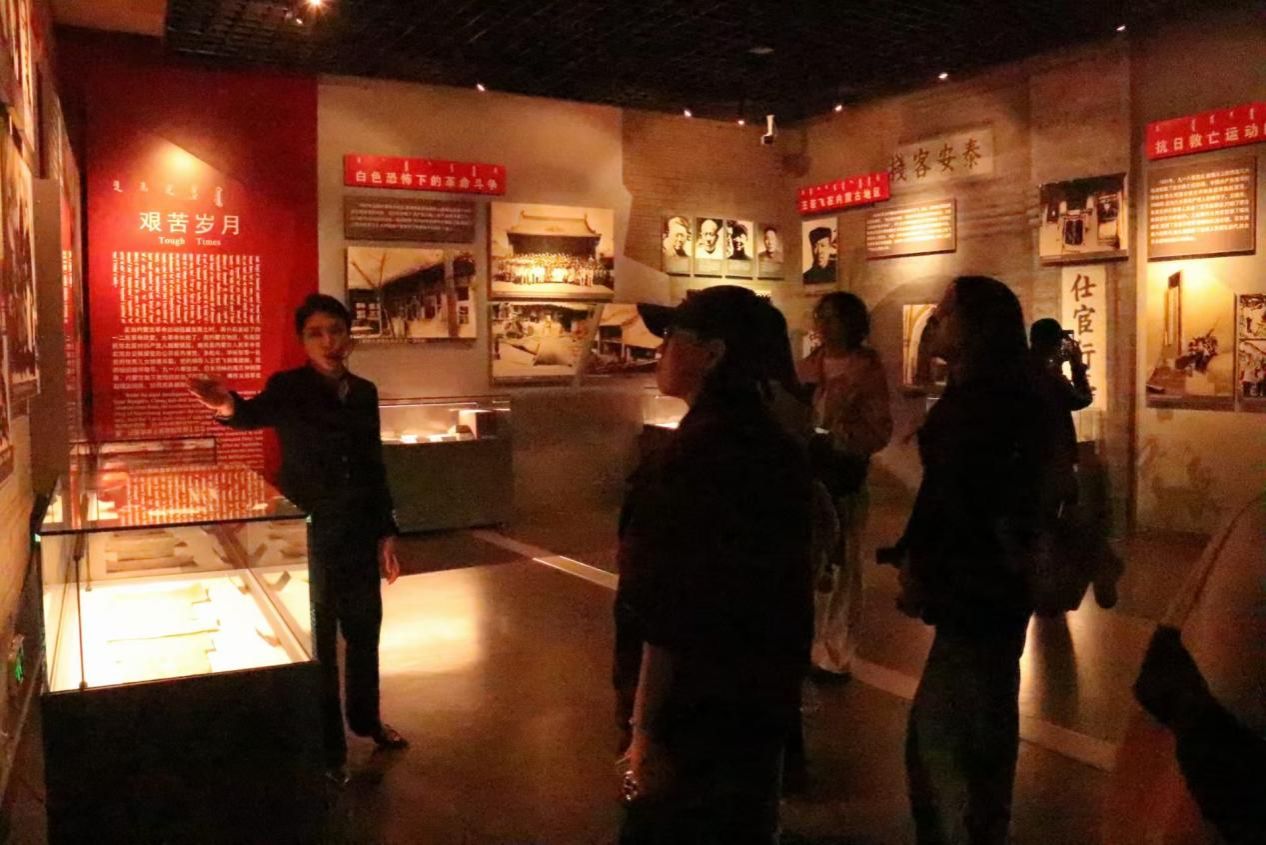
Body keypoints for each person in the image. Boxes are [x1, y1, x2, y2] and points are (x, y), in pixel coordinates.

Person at [615, 286, 814, 843]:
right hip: (760, 698)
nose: (660, 349)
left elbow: (667, 614)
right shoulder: (776, 448)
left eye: (672, 337)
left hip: (694, 710)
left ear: (713, 353)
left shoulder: (689, 460)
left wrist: (643, 729)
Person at [188, 293, 408, 786]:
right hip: (310, 533)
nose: (328, 341)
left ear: (349, 334)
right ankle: (330, 747)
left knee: (365, 631)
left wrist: (386, 531)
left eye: (336, 330)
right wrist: (224, 404)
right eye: (316, 333)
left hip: (358, 532)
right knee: (320, 642)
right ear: (303, 341)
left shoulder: (364, 392)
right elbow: (250, 414)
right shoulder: (289, 388)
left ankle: (367, 721)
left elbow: (373, 464)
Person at [892, 276, 1048, 845]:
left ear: (979, 327)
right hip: (987, 584)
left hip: (980, 586)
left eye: (946, 313)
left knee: (952, 735)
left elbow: (962, 498)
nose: (934, 322)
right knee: (971, 722)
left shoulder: (987, 403)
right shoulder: (999, 392)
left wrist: (924, 564)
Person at [797, 292, 893, 682]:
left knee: (844, 569)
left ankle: (834, 654)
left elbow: (879, 428)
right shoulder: (808, 367)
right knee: (809, 565)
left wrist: (842, 438)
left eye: (831, 317)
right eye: (820, 315)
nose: (822, 323)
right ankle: (807, 644)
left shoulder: (867, 370)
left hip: (844, 478)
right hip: (810, 478)